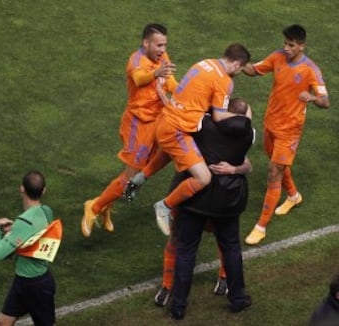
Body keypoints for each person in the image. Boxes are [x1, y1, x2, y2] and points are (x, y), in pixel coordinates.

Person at [126, 44, 251, 236]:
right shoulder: (224, 80)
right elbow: (219, 116)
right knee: (203, 178)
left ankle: (139, 178)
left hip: (166, 121)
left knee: (171, 152)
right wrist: (244, 120)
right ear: (236, 64)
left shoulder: (204, 63)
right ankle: (164, 206)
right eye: (241, 69)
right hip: (177, 130)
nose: (239, 73)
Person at [81, 23, 177, 237]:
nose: (162, 49)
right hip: (138, 125)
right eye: (159, 45)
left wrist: (183, 93)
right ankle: (94, 207)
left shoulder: (162, 58)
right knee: (130, 178)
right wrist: (156, 74)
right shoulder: (136, 60)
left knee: (149, 170)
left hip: (157, 121)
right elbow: (139, 79)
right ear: (146, 43)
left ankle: (105, 207)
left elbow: (170, 81)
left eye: (164, 45)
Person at [165, 98, 254, 320]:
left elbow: (189, 111)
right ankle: (238, 299)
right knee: (231, 248)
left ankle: (178, 305)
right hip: (228, 201)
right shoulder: (249, 134)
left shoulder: (201, 125)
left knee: (186, 251)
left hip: (196, 198)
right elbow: (245, 120)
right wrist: (233, 169)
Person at [243, 24, 330, 245]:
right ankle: (293, 196)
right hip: (271, 123)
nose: (287, 48)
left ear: (302, 45)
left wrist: (312, 98)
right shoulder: (277, 57)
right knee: (275, 161)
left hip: (290, 130)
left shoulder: (311, 69)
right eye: (285, 43)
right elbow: (255, 70)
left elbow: (325, 101)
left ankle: (260, 226)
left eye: (291, 45)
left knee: (274, 172)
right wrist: (236, 63)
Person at [0, 170, 57, 326]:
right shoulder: (47, 212)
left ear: (22, 189)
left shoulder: (23, 223)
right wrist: (15, 228)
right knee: (2, 323)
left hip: (36, 286)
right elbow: (33, 230)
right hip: (23, 282)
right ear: (44, 191)